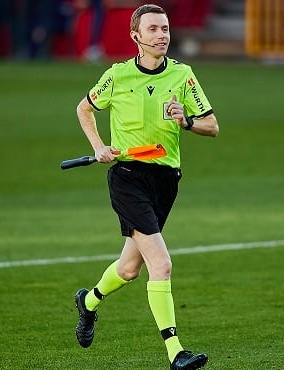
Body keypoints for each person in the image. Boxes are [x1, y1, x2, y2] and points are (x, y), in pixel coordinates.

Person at [73, 4, 218, 370]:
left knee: (128, 269)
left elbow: (212, 125)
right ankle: (175, 352)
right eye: (153, 29)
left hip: (166, 180)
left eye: (165, 29)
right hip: (128, 178)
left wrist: (185, 121)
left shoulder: (183, 75)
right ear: (136, 36)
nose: (162, 35)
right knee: (161, 264)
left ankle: (88, 302)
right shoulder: (117, 76)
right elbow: (85, 108)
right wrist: (99, 147)